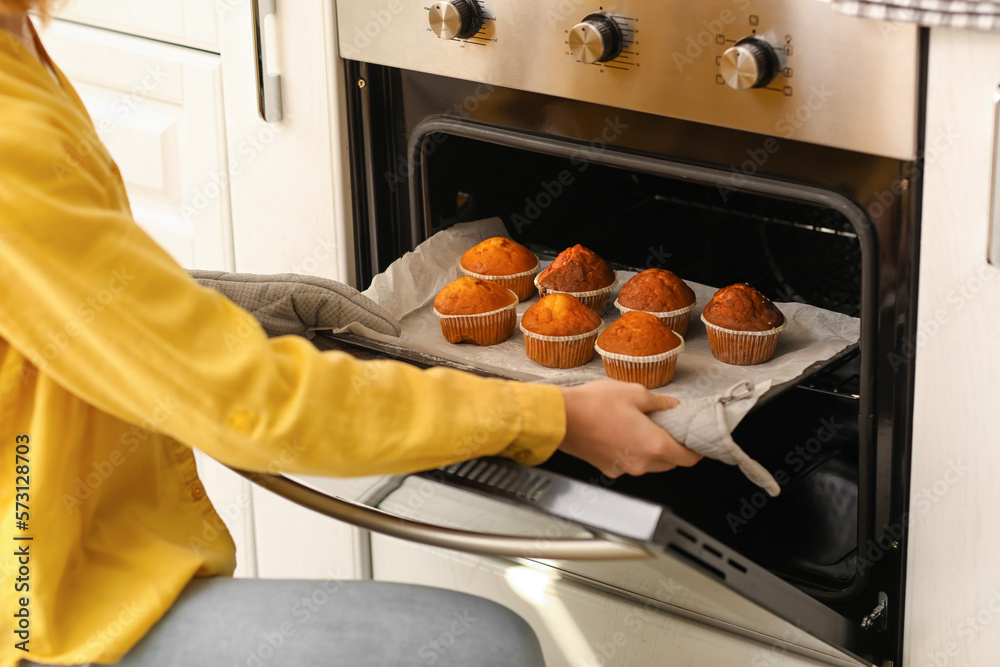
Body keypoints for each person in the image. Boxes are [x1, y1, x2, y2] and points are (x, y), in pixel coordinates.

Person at [0, 1, 701, 665]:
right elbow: (249, 402)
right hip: (40, 612)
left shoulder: (16, 42)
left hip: (62, 561)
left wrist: (226, 307)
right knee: (482, 647)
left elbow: (59, 296)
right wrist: (552, 414)